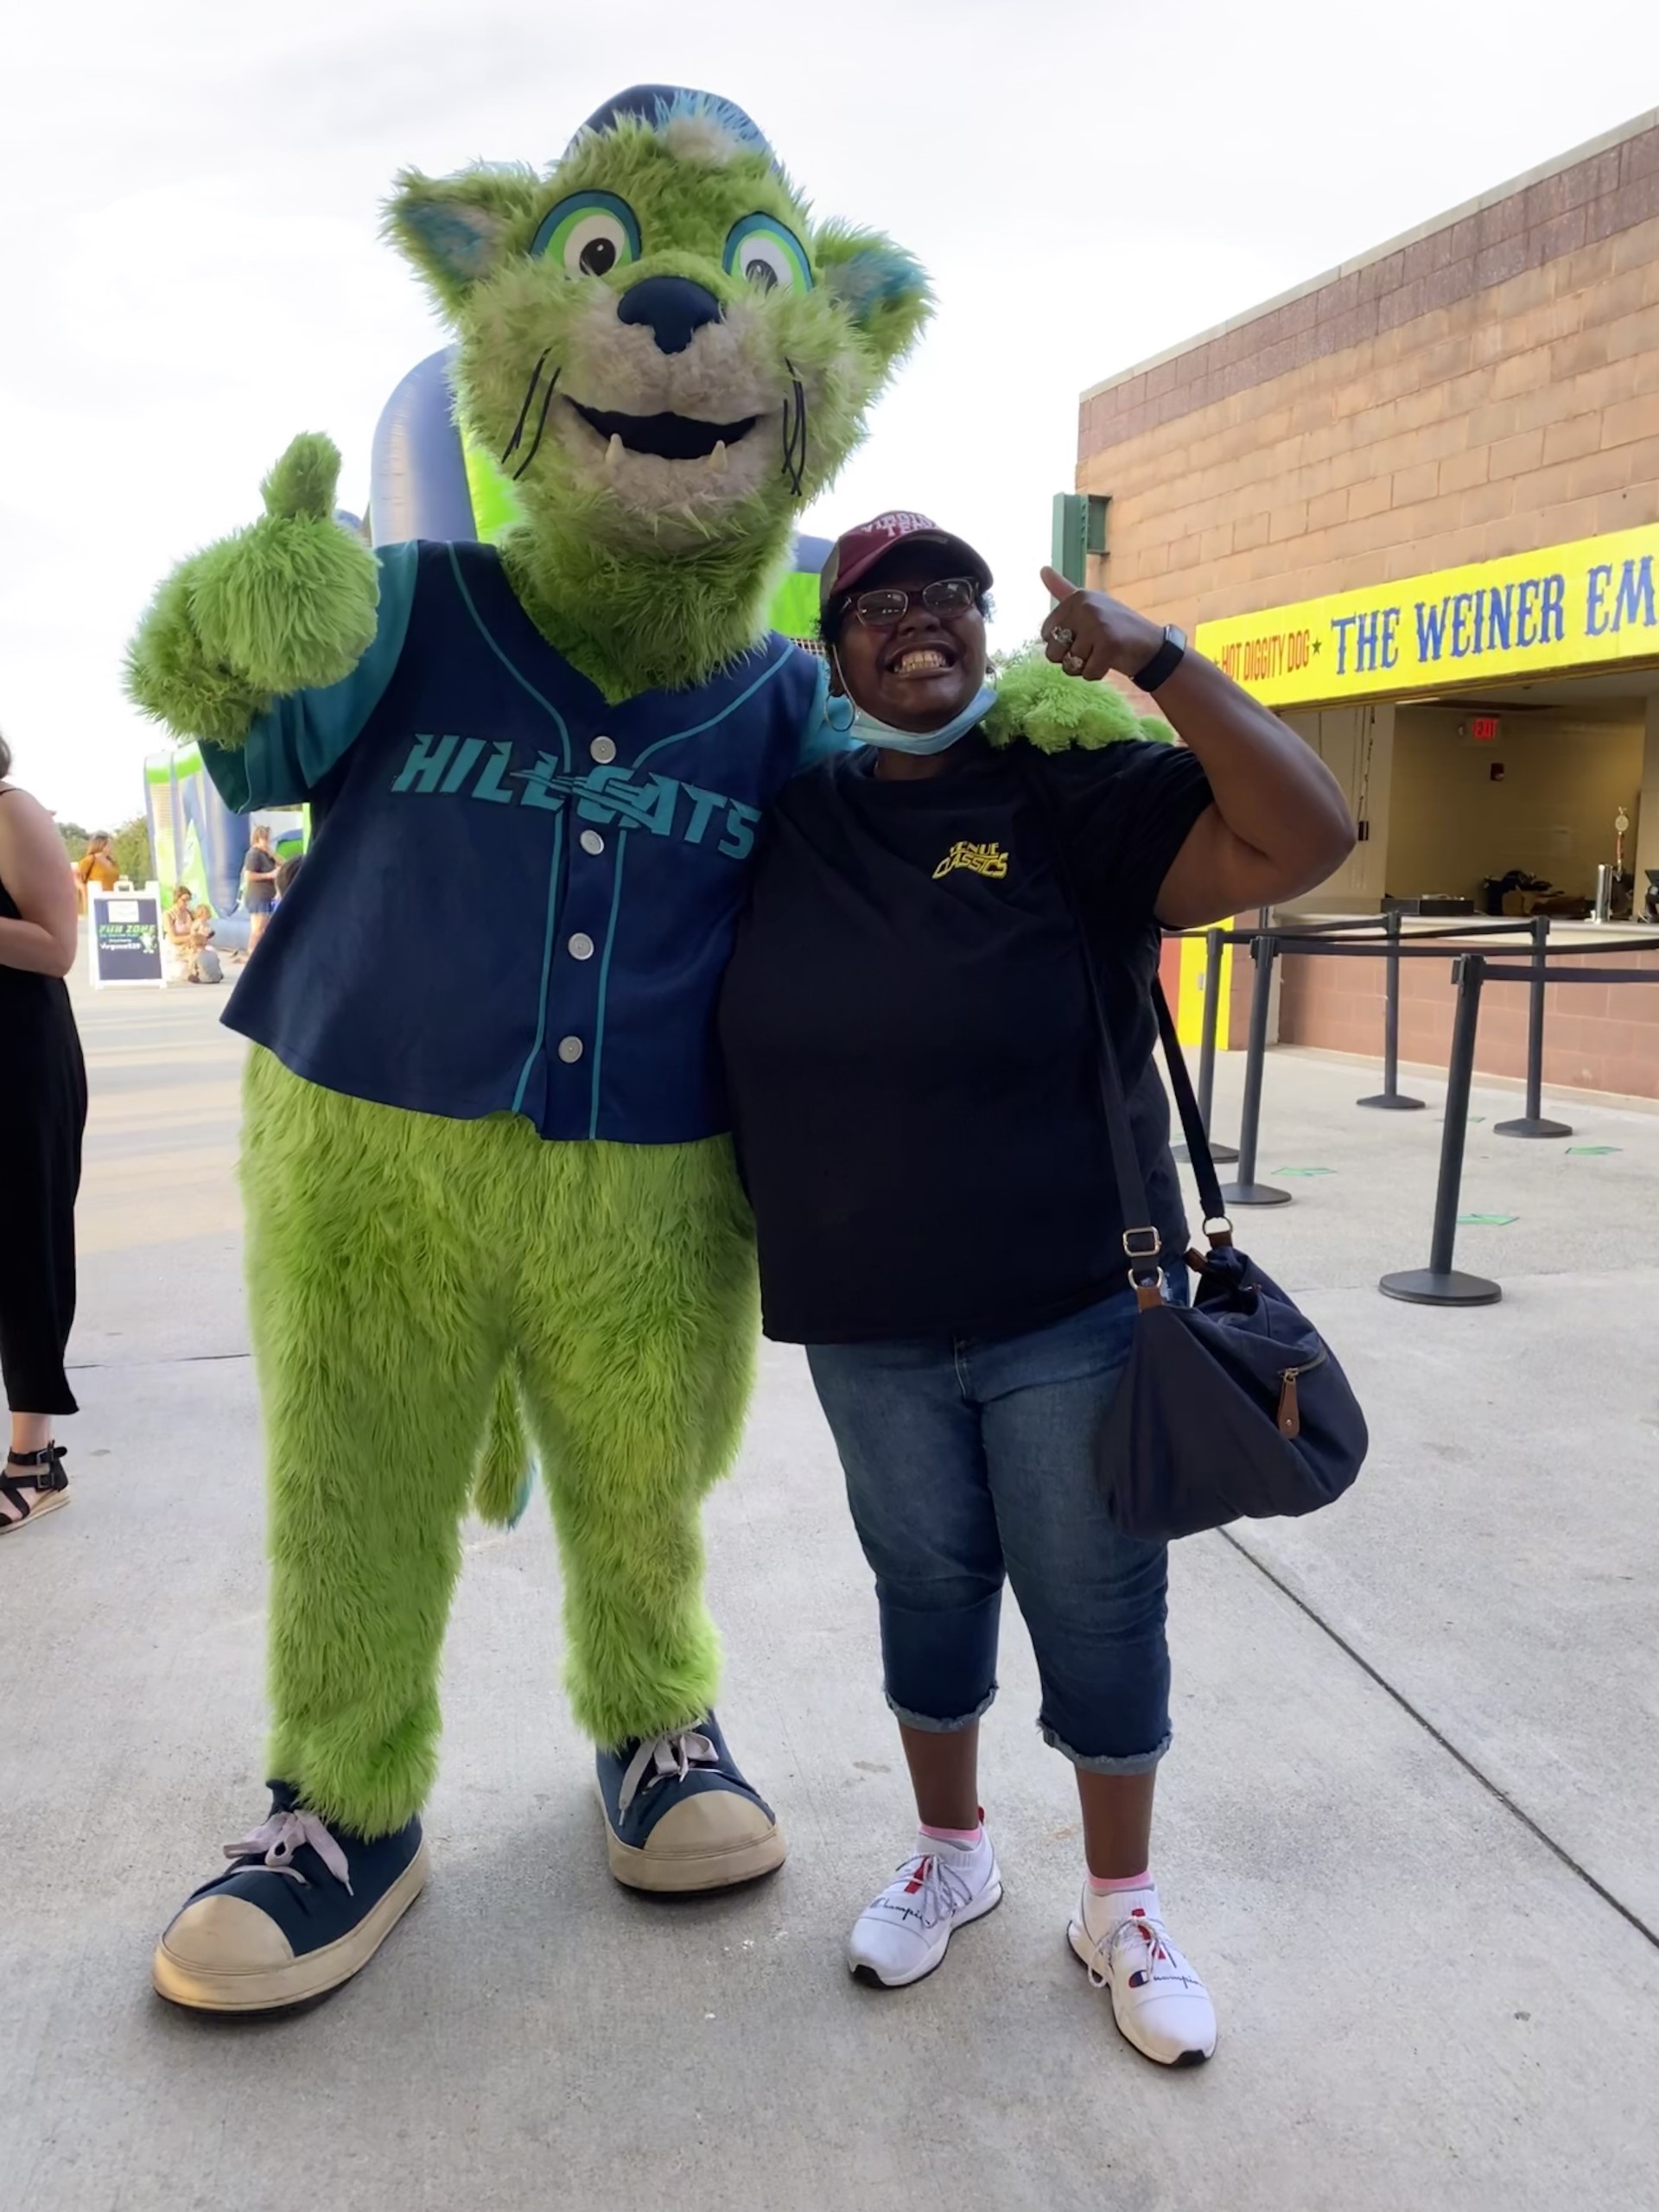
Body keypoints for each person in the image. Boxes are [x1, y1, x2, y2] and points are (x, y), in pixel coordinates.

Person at [718, 515, 1355, 2065]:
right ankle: (954, 1856)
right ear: (832, 647)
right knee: (926, 1591)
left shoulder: (1074, 792)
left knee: (1095, 1600)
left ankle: (1118, 1904)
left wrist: (1159, 663)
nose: (918, 620)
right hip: (863, 1317)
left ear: (993, 629)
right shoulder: (789, 813)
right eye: (879, 604)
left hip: (1070, 1305)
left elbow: (1306, 834)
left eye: (950, 594)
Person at [0, 731, 87, 1534]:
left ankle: (35, 1458)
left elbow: (56, 947)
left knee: (24, 1248)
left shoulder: (11, 811)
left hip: (18, 1062)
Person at [240, 823, 278, 950]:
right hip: (258, 896)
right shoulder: (253, 854)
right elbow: (249, 875)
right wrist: (269, 875)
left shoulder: (266, 854)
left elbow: (284, 864)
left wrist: (271, 853)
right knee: (258, 929)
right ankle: (251, 953)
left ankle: (260, 953)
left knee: (264, 930)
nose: (268, 842)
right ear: (258, 838)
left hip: (268, 896)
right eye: (265, 839)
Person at [73, 831, 119, 910]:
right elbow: (74, 876)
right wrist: (83, 889)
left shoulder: (113, 862)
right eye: (109, 845)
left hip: (113, 901)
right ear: (101, 846)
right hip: (96, 900)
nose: (111, 847)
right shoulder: (90, 860)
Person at [163, 883, 195, 978]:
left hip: (189, 945)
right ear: (177, 899)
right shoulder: (169, 915)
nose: (187, 903)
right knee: (181, 970)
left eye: (189, 900)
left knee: (209, 952)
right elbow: (173, 939)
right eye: (184, 900)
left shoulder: (190, 913)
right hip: (175, 947)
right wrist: (192, 937)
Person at [189, 904, 223, 984]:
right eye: (205, 914)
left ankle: (210, 971)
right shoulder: (198, 923)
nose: (206, 916)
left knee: (211, 953)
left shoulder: (206, 923)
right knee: (197, 958)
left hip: (204, 944)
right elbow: (193, 934)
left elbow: (209, 934)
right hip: (199, 944)